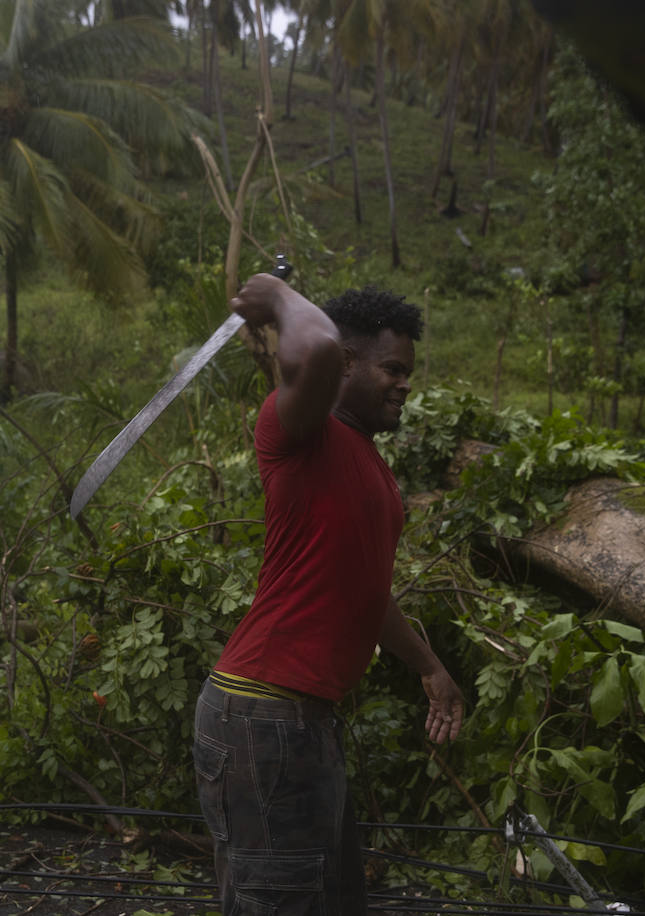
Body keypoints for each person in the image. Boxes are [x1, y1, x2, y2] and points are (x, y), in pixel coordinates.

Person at [192, 274, 467, 915]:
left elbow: (365, 590)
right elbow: (313, 349)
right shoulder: (297, 431)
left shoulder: (367, 460)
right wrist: (278, 298)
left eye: (409, 372)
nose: (405, 383)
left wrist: (429, 666)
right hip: (262, 720)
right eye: (392, 369)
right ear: (347, 363)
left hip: (303, 724)